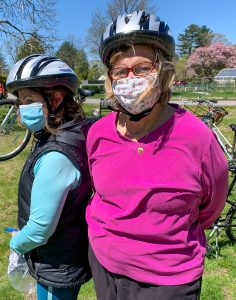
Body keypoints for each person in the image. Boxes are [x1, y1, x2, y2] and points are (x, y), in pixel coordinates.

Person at [86, 11, 228, 300]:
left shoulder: (196, 137)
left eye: (142, 69)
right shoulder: (98, 133)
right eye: (120, 70)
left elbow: (212, 206)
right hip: (104, 263)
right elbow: (99, 191)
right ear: (110, 78)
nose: (130, 78)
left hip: (167, 278)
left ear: (162, 72)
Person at [6, 55, 93, 300]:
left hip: (57, 264)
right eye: (20, 101)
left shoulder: (56, 155)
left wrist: (16, 244)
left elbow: (38, 231)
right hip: (66, 253)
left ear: (54, 99)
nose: (22, 108)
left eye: (29, 100)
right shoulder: (70, 133)